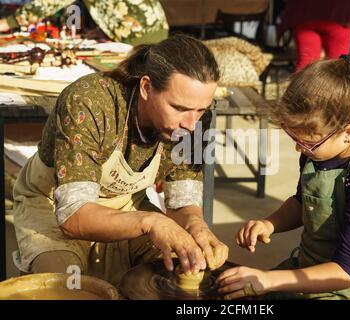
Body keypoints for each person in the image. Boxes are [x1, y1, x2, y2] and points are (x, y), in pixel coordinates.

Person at [12, 34, 228, 286]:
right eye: (179, 108)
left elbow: (182, 203)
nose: (191, 125)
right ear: (146, 87)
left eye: (201, 109)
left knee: (184, 266)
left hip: (126, 205)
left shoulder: (195, 120)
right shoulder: (89, 102)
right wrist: (151, 221)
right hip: (53, 207)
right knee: (68, 286)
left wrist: (196, 225)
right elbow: (73, 218)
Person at [217, 55, 350, 300]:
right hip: (309, 268)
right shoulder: (319, 152)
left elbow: (347, 270)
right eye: (295, 139)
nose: (299, 149)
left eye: (307, 142)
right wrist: (270, 223)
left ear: (348, 132)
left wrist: (268, 279)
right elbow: (303, 201)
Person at [0, 0, 169, 45]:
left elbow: (50, 2)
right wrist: (105, 29)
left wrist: (8, 23)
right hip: (155, 25)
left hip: (138, 34)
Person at [277, 0, 350, 71]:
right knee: (339, 68)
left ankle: (302, 86)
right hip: (339, 13)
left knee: (306, 66)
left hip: (304, 11)